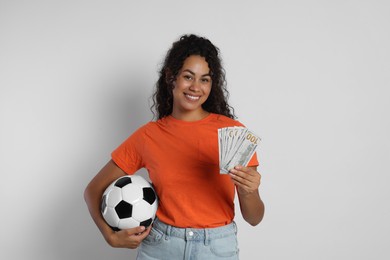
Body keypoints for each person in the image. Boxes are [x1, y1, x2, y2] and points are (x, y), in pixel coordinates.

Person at [84, 34, 265, 260]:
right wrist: (109, 235)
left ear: (212, 84)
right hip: (161, 247)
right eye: (188, 77)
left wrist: (249, 192)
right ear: (172, 77)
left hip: (217, 248)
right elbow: (93, 190)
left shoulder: (234, 134)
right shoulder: (149, 136)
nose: (195, 87)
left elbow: (254, 218)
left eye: (205, 79)